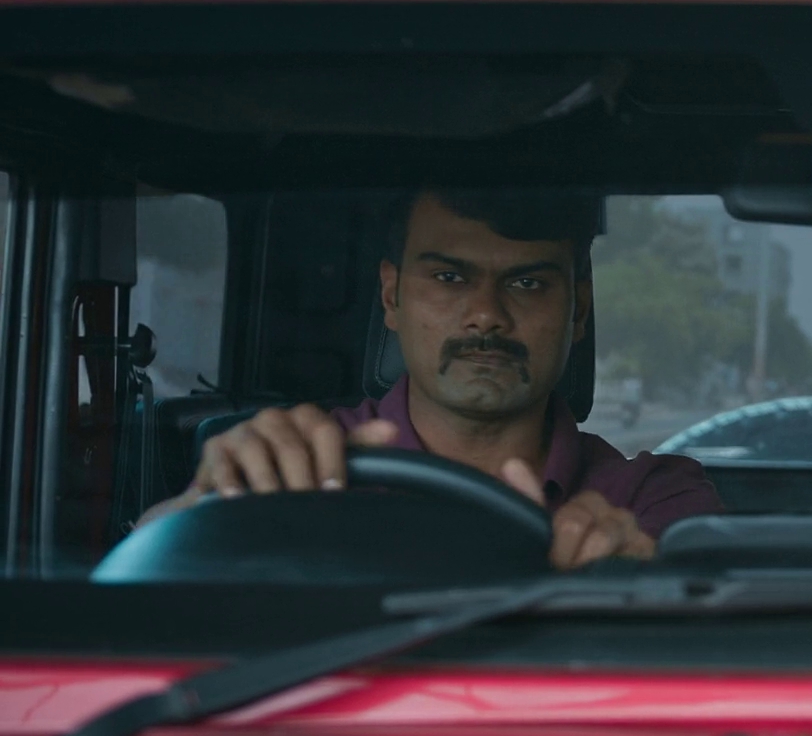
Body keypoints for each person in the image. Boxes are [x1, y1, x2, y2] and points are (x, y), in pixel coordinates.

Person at [138, 186, 724, 569]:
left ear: (579, 312)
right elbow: (144, 577)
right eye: (449, 278)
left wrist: (636, 583)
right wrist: (207, 504)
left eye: (527, 283)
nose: (486, 315)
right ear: (391, 296)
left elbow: (708, 636)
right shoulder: (299, 464)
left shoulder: (650, 497)